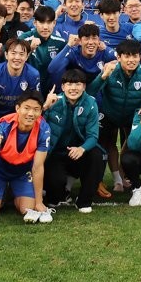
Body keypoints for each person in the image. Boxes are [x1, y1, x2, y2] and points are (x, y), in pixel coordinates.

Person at [88, 39, 141, 194]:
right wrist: (103, 76)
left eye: (135, 56)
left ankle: (131, 178)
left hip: (132, 116)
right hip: (110, 113)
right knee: (106, 146)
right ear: (118, 57)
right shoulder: (110, 70)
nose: (131, 60)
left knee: (131, 145)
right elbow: (90, 93)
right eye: (127, 56)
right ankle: (115, 181)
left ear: (140, 57)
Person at [0, 90, 53, 222]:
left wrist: (39, 202)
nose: (31, 113)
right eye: (27, 108)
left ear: (41, 111)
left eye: (36, 109)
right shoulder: (2, 126)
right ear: (17, 108)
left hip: (22, 172)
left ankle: (11, 193)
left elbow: (38, 166)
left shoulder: (44, 129)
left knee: (27, 210)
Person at [44, 69, 104, 213]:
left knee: (98, 155)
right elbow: (35, 127)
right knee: (54, 200)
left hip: (78, 152)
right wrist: (45, 107)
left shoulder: (90, 103)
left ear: (84, 87)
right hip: (56, 154)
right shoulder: (53, 102)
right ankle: (58, 192)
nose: (73, 88)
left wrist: (82, 148)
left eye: (78, 84)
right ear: (63, 87)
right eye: (69, 84)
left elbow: (93, 136)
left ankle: (84, 201)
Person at [0, 39, 41, 132]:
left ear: (27, 56)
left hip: (20, 120)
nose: (17, 57)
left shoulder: (33, 74)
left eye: (21, 54)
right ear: (6, 55)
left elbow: (33, 103)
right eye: (13, 53)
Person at [47, 23, 116, 88]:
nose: (91, 42)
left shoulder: (105, 52)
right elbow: (52, 69)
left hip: (98, 91)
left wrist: (107, 50)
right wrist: (68, 45)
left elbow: (122, 60)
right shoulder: (73, 52)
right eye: (86, 39)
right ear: (80, 41)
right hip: (75, 90)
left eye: (94, 38)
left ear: (99, 40)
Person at [20, 6, 67, 95]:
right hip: (28, 91)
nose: (45, 27)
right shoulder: (24, 39)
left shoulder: (61, 42)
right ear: (34, 23)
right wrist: (29, 49)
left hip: (52, 91)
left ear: (54, 23)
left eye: (49, 23)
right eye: (41, 22)